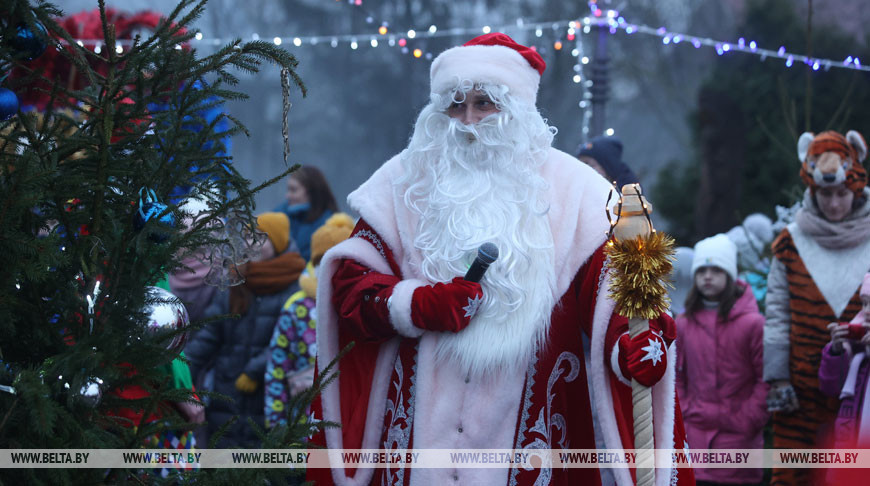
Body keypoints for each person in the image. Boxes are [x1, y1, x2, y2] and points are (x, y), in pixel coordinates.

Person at [308, 33, 693, 486]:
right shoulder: (402, 183)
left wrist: (631, 345)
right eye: (454, 105)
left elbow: (625, 296)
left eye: (484, 103)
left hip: (538, 445)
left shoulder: (582, 195)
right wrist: (416, 304)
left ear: (517, 111)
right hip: (415, 446)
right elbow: (349, 289)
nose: (467, 121)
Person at [764, 130, 870, 485]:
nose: (835, 204)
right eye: (826, 194)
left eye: (842, 193)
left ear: (854, 188)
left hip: (864, 383)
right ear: (813, 190)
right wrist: (777, 377)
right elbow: (777, 312)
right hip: (801, 384)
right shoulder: (790, 241)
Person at [185, 212, 306, 447]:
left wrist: (256, 369)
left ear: (279, 244)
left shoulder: (294, 288)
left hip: (270, 399)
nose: (252, 244)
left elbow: (293, 342)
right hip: (226, 397)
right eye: (249, 238)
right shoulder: (235, 281)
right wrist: (179, 372)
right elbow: (209, 335)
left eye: (261, 238)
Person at [676, 234, 768, 485]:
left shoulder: (753, 324)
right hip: (695, 436)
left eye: (716, 269)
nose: (707, 276)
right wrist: (685, 412)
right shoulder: (683, 324)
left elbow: (766, 380)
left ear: (729, 274)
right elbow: (677, 376)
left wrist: (746, 420)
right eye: (702, 270)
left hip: (739, 441)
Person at [264, 213, 354, 428]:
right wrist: (277, 427)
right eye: (325, 262)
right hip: (303, 423)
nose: (334, 270)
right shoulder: (297, 307)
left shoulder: (360, 305)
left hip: (351, 421)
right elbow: (277, 367)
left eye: (343, 263)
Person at [818, 272, 870, 484]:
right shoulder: (857, 351)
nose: (866, 312)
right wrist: (837, 351)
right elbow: (830, 388)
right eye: (864, 303)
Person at [275, 166, 339, 262]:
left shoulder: (330, 227)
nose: (287, 195)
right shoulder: (280, 214)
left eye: (293, 190)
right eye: (288, 190)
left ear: (311, 192)